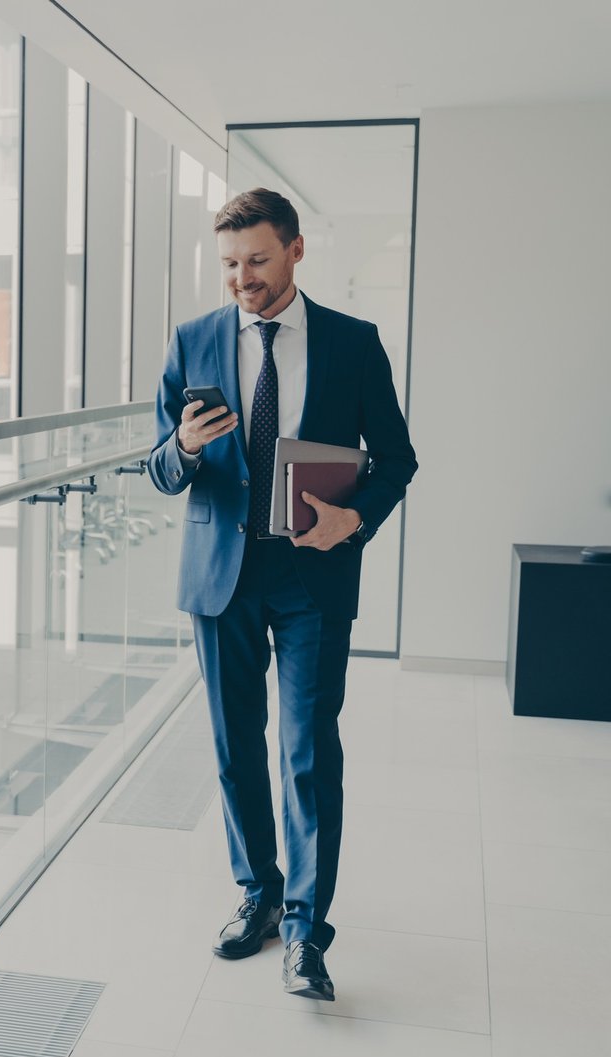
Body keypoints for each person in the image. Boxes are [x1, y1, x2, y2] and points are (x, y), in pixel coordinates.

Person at [146, 188, 416, 1000]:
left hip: (312, 574)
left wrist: (353, 520)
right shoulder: (193, 340)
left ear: (296, 250)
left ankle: (306, 930)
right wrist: (184, 449)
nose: (242, 279)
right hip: (220, 576)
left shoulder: (352, 343)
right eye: (230, 264)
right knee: (234, 752)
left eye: (258, 261)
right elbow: (157, 467)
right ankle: (257, 896)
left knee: (306, 752)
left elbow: (396, 459)